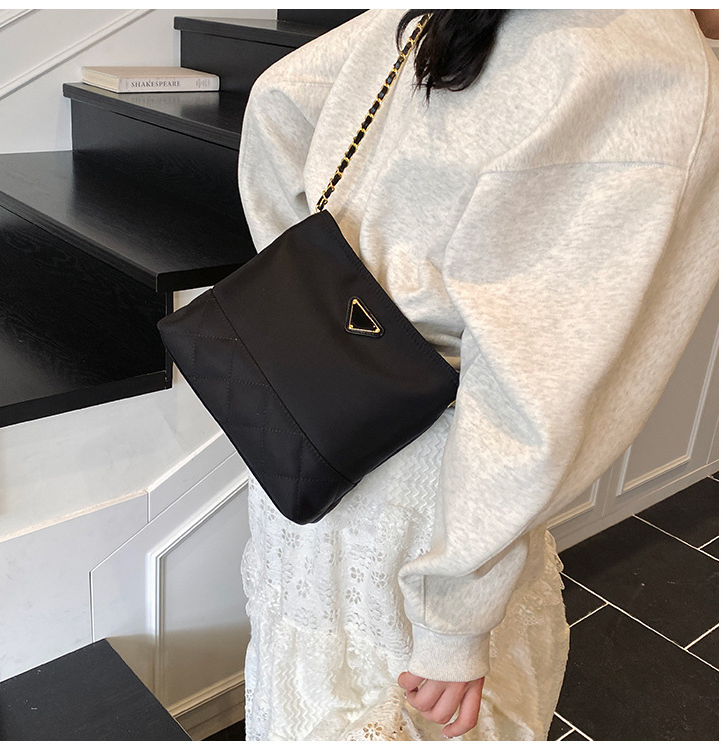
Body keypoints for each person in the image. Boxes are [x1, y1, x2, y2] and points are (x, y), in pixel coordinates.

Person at [236, 9, 718, 741]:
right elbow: (537, 388)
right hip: (444, 495)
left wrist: (320, 301)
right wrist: (453, 620)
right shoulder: (659, 71)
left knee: (309, 688)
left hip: (314, 436)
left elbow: (278, 96)